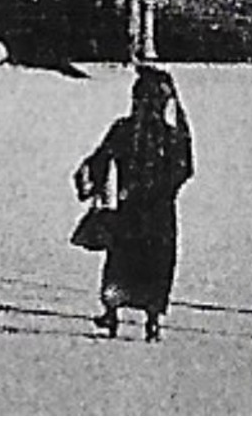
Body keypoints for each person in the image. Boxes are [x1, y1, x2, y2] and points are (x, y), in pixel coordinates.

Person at [75, 64, 195, 343]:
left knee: (120, 260)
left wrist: (92, 182)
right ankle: (153, 319)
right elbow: (185, 167)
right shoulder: (171, 135)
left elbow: (100, 158)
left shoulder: (124, 130)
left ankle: (112, 312)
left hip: (129, 206)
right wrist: (166, 191)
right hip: (160, 212)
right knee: (156, 263)